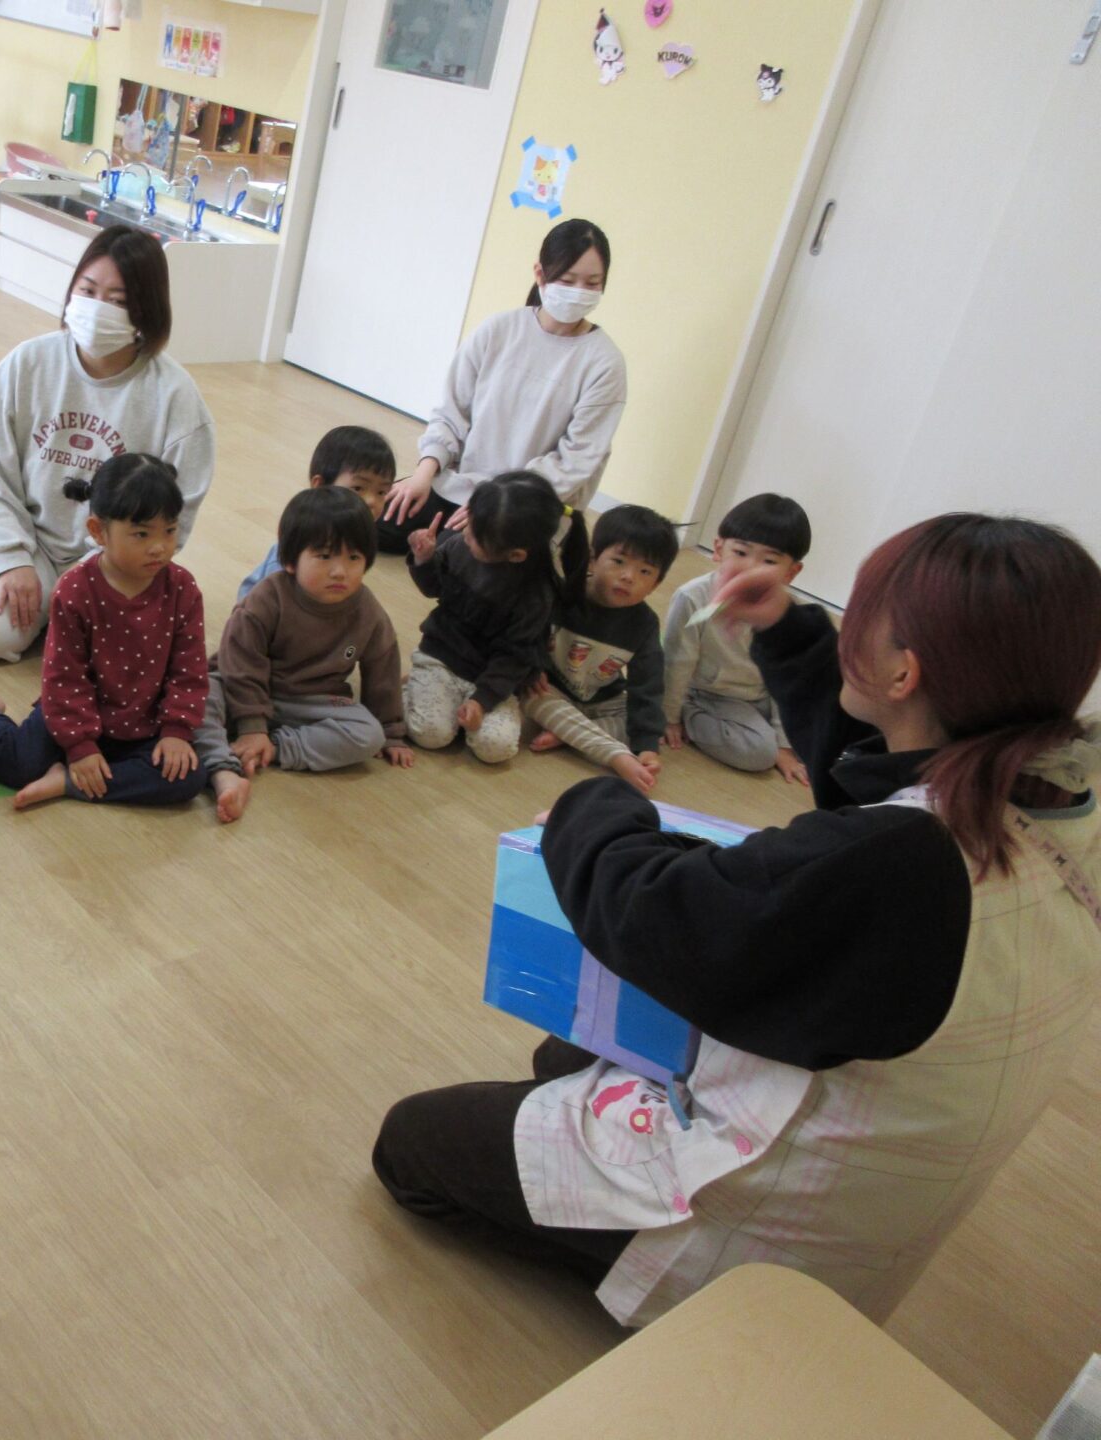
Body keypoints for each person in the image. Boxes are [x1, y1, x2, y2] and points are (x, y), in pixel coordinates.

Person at [372, 512, 1101, 1328]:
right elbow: (885, 775)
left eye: (860, 614)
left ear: (905, 672)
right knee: (567, 1048)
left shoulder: (898, 860)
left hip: (769, 1214)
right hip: (889, 1176)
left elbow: (653, 914)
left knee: (410, 1145)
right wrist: (788, 633)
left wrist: (591, 806)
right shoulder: (1056, 792)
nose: (843, 625)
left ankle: (671, 1306)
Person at [0, 224, 216, 660]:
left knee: (127, 659)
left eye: (118, 301)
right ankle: (1, 592)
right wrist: (12, 559)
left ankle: (54, 615)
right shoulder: (25, 366)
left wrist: (99, 577)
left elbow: (179, 512)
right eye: (88, 291)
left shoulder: (176, 398)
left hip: (119, 562)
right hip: (33, 545)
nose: (99, 309)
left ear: (147, 310)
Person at [0, 454, 209, 809]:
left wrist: (176, 731)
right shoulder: (75, 590)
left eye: (169, 530)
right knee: (20, 765)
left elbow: (190, 672)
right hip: (73, 716)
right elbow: (64, 677)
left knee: (187, 777)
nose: (159, 546)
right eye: (141, 534)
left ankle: (65, 783)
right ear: (98, 531)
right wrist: (79, 745)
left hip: (143, 724)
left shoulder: (183, 588)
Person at [379, 218, 626, 553]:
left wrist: (498, 502)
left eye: (592, 283)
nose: (579, 291)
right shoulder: (498, 330)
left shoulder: (604, 362)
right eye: (568, 280)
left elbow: (575, 461)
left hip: (522, 504)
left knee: (456, 556)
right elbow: (451, 413)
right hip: (459, 485)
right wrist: (424, 473)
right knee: (370, 519)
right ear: (540, 274)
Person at [195, 487, 413, 823]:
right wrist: (252, 724)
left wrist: (392, 731)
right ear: (290, 560)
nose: (340, 571)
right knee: (200, 696)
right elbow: (241, 663)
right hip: (242, 689)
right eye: (324, 556)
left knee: (369, 735)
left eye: (353, 558)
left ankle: (272, 748)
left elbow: (383, 669)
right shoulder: (267, 598)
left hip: (310, 701)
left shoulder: (368, 611)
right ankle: (222, 763)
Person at [402, 472, 589, 763]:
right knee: (431, 735)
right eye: (470, 519)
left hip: (492, 678)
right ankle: (413, 686)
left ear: (515, 555)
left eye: (477, 534)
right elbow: (434, 588)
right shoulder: (460, 545)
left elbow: (514, 656)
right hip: (441, 658)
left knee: (495, 748)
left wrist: (482, 700)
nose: (466, 532)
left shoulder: (535, 595)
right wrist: (424, 558)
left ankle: (444, 701)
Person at [523, 503, 676, 795]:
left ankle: (569, 733)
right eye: (619, 561)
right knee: (531, 694)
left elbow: (647, 686)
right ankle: (612, 754)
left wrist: (647, 747)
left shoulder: (645, 623)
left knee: (637, 718)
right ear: (592, 559)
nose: (629, 576)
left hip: (601, 699)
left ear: (655, 585)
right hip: (550, 690)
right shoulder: (563, 593)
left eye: (645, 571)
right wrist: (533, 665)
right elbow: (527, 632)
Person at [662, 493, 811, 784]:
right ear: (719, 549)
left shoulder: (788, 611)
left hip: (759, 697)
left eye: (769, 560)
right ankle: (691, 714)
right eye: (741, 553)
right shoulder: (693, 597)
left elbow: (788, 683)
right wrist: (669, 717)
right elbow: (677, 663)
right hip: (709, 695)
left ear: (791, 572)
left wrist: (785, 743)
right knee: (761, 753)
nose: (750, 568)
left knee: (824, 729)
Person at [235, 426, 397, 602]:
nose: (371, 501)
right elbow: (266, 603)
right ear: (320, 486)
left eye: (381, 492)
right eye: (358, 488)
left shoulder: (361, 534)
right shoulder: (297, 547)